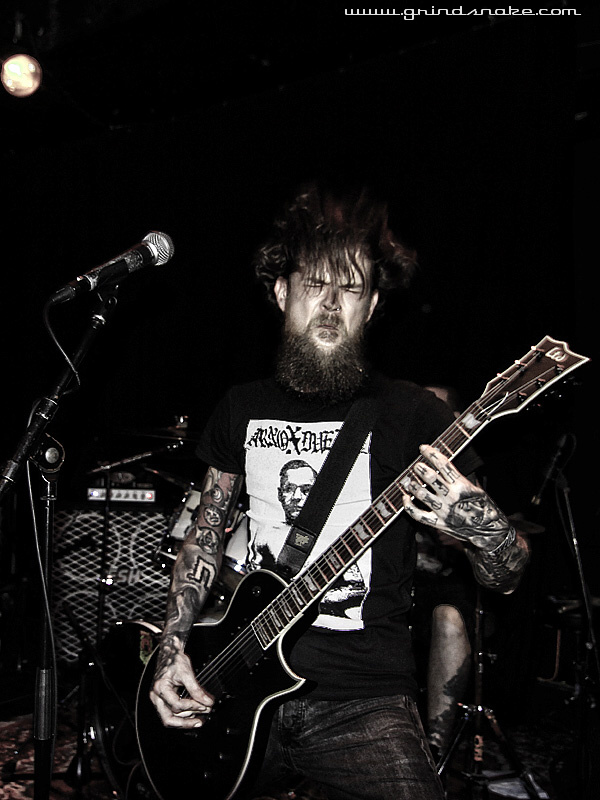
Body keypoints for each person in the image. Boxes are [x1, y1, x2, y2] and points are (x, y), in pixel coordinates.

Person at [149, 183, 530, 800]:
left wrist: (482, 528)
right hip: (233, 684)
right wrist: (173, 649)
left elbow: (509, 575)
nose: (330, 304)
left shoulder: (413, 414)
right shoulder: (240, 406)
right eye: (315, 284)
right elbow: (203, 538)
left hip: (363, 703)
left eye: (350, 288)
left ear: (372, 305)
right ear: (281, 293)